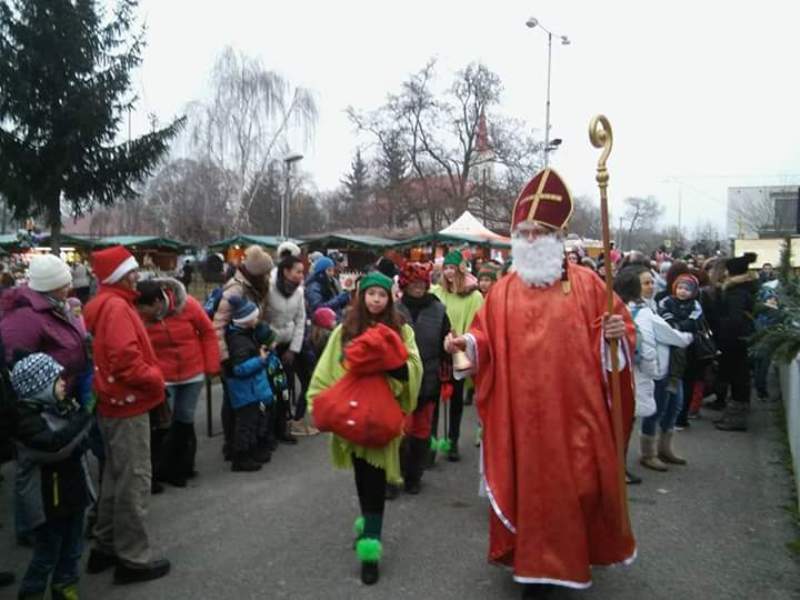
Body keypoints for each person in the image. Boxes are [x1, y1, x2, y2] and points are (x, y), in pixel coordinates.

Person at [444, 168, 636, 596]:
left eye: (540, 232)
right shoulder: (503, 291)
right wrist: (468, 343)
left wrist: (616, 339)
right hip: (523, 422)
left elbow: (621, 338)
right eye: (524, 232)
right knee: (530, 494)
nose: (530, 240)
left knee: (579, 490)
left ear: (557, 236)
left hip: (575, 419)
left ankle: (570, 560)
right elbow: (485, 337)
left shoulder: (590, 287)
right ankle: (534, 570)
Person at [307, 272, 422, 585]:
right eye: (370, 294)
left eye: (381, 295)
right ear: (361, 296)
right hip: (354, 418)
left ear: (390, 298)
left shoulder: (402, 329)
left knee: (374, 480)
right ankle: (369, 524)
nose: (375, 300)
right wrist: (320, 404)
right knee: (363, 478)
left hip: (382, 419)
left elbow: (413, 366)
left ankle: (370, 550)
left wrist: (392, 363)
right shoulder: (346, 330)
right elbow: (328, 368)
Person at [83, 245, 170, 584]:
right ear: (119, 275)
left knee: (115, 478)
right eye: (132, 271)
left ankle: (104, 546)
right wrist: (156, 378)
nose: (138, 275)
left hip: (112, 403)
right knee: (134, 479)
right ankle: (132, 558)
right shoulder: (117, 307)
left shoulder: (107, 304)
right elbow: (124, 360)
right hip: (128, 402)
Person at [1, 254, 91, 547]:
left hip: (61, 390)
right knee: (31, 466)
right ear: (49, 286)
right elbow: (15, 360)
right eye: (63, 284)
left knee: (59, 458)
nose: (69, 288)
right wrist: (39, 390)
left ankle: (58, 511)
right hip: (37, 400)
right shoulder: (25, 317)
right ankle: (30, 526)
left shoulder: (57, 307)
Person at [11, 353, 94, 600]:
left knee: (73, 546)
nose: (63, 384)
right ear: (39, 387)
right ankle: (32, 592)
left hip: (71, 492)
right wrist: (85, 418)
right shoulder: (26, 421)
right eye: (57, 380)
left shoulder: (62, 407)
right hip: (47, 503)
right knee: (47, 552)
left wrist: (80, 423)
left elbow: (76, 442)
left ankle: (65, 585)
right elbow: (55, 447)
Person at [135, 278, 220, 487]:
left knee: (185, 420)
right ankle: (157, 471)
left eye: (147, 309)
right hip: (163, 377)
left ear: (158, 301)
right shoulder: (138, 314)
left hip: (193, 371)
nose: (146, 315)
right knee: (163, 425)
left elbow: (208, 332)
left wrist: (211, 365)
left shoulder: (188, 304)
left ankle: (182, 467)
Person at [394, 262, 450, 495]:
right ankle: (396, 473)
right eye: (413, 283)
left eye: (422, 283)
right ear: (406, 285)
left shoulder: (438, 309)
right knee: (399, 431)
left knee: (421, 430)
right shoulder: (395, 309)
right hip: (400, 379)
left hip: (428, 378)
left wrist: (446, 378)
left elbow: (445, 345)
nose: (418, 287)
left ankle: (415, 476)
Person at [213, 245, 274, 457]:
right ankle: (233, 446)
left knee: (247, 401)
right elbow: (218, 325)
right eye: (265, 272)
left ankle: (247, 443)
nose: (267, 276)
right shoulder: (236, 289)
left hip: (247, 347)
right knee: (234, 402)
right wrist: (225, 359)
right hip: (235, 353)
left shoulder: (254, 286)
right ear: (256, 272)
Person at [431, 250, 483, 461]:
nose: (449, 272)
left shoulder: (474, 296)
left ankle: (453, 442)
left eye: (453, 268)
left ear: (461, 270)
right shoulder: (436, 292)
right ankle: (431, 445)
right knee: (433, 400)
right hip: (438, 353)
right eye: (446, 269)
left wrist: (459, 340)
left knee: (456, 400)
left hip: (459, 352)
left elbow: (476, 324)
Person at [614, 266, 658, 485]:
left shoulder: (639, 309)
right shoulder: (633, 312)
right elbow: (644, 347)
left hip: (625, 375)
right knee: (621, 426)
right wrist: (653, 371)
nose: (651, 286)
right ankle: (617, 469)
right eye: (645, 283)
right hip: (628, 377)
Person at [224, 296, 275, 472]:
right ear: (246, 320)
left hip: (252, 389)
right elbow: (239, 369)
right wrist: (260, 360)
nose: (257, 320)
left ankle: (252, 451)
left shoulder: (246, 334)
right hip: (244, 391)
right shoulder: (238, 340)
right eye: (255, 317)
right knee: (245, 424)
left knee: (253, 422)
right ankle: (241, 458)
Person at [265, 255, 314, 437]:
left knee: (306, 379)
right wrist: (270, 345)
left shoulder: (299, 292)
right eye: (298, 271)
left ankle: (291, 422)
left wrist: (294, 349)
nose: (301, 275)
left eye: (303, 272)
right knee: (278, 386)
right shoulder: (269, 289)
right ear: (286, 271)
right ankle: (275, 427)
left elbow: (301, 319)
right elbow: (263, 319)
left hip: (292, 342)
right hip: (272, 345)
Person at [714, 253, 759, 431]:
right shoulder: (746, 288)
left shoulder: (735, 292)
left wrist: (721, 331)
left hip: (734, 341)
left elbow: (734, 319)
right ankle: (735, 416)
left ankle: (736, 420)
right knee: (740, 378)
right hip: (742, 338)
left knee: (738, 378)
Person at [305, 256, 350, 320]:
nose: (332, 273)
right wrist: (338, 300)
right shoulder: (314, 286)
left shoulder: (331, 282)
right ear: (321, 271)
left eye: (332, 270)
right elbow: (317, 308)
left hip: (334, 320)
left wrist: (344, 300)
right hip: (322, 322)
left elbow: (335, 304)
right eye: (329, 270)